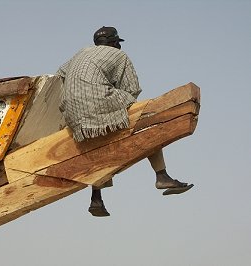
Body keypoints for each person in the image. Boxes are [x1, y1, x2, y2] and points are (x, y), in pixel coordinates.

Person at [56, 26, 193, 217]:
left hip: (71, 111)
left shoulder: (82, 52)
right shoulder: (119, 56)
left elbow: (60, 74)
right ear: (114, 43)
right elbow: (132, 89)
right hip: (98, 101)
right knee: (145, 119)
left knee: (97, 143)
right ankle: (161, 175)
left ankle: (96, 198)